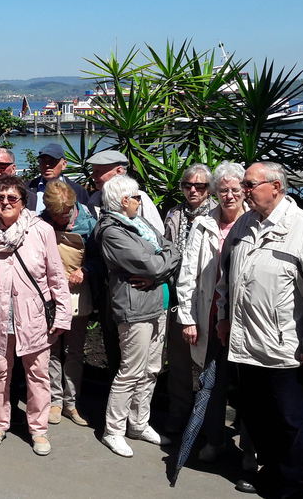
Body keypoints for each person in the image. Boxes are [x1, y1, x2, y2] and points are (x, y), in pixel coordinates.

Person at [216, 162, 303, 499]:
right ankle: (270, 475)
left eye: (250, 184)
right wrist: (223, 318)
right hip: (245, 346)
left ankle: (293, 487)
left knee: (290, 425)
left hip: (286, 351)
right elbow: (227, 280)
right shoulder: (243, 224)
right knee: (257, 420)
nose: (244, 189)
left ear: (276, 187)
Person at [0, 175, 72, 456]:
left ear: (24, 202)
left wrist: (62, 315)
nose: (5, 203)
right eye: (0, 198)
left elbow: (56, 276)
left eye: (12, 198)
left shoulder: (42, 230)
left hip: (34, 317)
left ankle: (38, 430)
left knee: (38, 375)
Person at [93, 174, 181, 458]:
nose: (141, 201)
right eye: (137, 197)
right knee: (130, 371)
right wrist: (161, 267)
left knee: (152, 368)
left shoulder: (138, 224)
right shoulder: (112, 231)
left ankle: (139, 422)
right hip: (134, 308)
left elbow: (171, 251)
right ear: (124, 201)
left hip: (158, 302)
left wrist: (160, 268)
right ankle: (113, 430)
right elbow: (151, 265)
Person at [175, 162, 248, 465]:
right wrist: (188, 317)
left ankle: (250, 447)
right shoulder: (205, 224)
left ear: (245, 191)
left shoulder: (254, 222)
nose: (228, 196)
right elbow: (188, 273)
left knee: (248, 384)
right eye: (223, 190)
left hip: (246, 320)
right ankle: (214, 439)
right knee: (211, 382)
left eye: (234, 190)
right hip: (210, 316)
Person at [162, 162, 218, 433]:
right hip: (177, 298)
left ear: (209, 189)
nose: (193, 190)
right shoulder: (174, 213)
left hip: (207, 298)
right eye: (188, 185)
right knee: (179, 362)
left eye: (200, 186)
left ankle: (206, 421)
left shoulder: (217, 215)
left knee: (207, 362)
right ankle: (178, 414)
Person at [39, 181, 96, 427]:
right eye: (55, 215)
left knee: (74, 350)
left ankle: (71, 402)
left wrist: (85, 270)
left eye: (63, 214)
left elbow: (102, 257)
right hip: (49, 294)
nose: (60, 219)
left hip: (78, 294)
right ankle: (55, 400)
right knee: (51, 349)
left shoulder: (89, 223)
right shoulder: (41, 222)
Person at [85, 149, 161, 226]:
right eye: (93, 171)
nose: (93, 176)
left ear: (119, 171)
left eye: (98, 171)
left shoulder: (137, 197)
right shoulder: (95, 198)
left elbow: (156, 231)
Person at [26, 142, 90, 212]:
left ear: (64, 164)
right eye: (43, 161)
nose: (47, 165)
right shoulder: (27, 188)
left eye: (52, 161)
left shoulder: (78, 191)